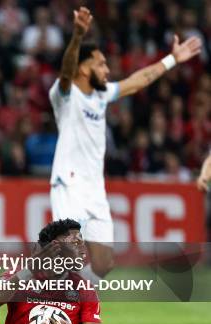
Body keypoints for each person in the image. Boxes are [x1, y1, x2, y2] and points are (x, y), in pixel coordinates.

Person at [49, 7, 202, 283]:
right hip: (69, 183)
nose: (108, 69)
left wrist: (172, 60)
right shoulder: (65, 96)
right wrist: (77, 37)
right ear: (84, 67)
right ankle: (46, 301)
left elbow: (137, 81)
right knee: (69, 254)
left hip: (95, 188)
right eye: (101, 63)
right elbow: (66, 70)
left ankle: (66, 296)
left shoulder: (102, 95)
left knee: (104, 263)